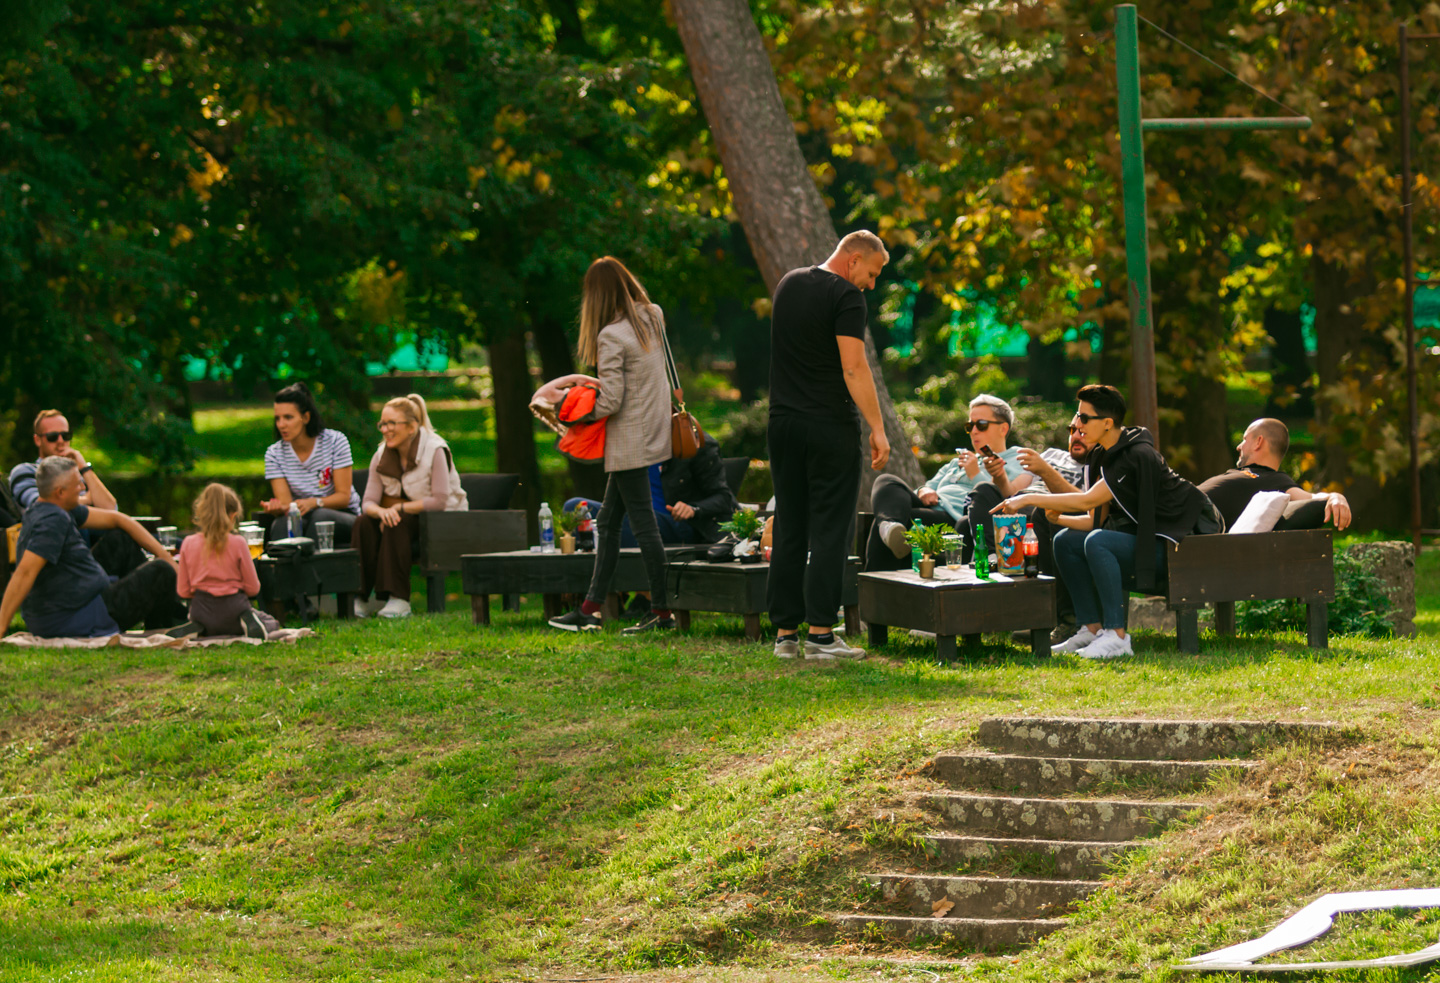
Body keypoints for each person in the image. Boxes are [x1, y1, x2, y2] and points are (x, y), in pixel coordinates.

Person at [994, 385, 1221, 660]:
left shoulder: (1135, 455)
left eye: (1084, 418)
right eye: (1077, 416)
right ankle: (1090, 629)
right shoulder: (1101, 455)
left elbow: (1087, 501)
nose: (1077, 424)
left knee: (1099, 541)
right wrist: (1059, 518)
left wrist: (1028, 499)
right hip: (1150, 542)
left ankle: (1117, 636)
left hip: (1181, 549)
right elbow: (1094, 519)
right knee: (1065, 540)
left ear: (1107, 423)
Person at [767, 231, 891, 661]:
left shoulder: (789, 283)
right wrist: (877, 427)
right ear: (853, 260)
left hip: (782, 424)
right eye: (871, 274)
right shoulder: (846, 296)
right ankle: (820, 633)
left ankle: (785, 633)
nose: (870, 285)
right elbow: (853, 368)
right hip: (828, 425)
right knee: (830, 528)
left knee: (789, 523)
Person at [547, 257, 676, 635]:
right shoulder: (653, 315)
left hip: (629, 441)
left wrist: (571, 410)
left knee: (644, 526)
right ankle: (590, 609)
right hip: (653, 431)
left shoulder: (611, 336)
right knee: (607, 521)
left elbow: (612, 400)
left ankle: (662, 613)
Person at [0, 458, 186, 638]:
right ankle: (171, 624)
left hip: (81, 599)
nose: (83, 489)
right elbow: (24, 573)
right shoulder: (51, 521)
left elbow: (118, 519)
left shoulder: (52, 508)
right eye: (78, 484)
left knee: (120, 539)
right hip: (76, 618)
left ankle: (168, 621)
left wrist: (165, 556)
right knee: (162, 571)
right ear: (60, 492)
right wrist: (1, 626)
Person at [867, 394, 1033, 571]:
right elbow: (928, 486)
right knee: (887, 481)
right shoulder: (958, 461)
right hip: (930, 508)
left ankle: (872, 588)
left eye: (981, 425)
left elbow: (1002, 498)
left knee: (886, 522)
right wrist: (924, 490)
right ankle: (889, 526)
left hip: (955, 518)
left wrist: (975, 474)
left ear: (1003, 429)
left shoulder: (1018, 459)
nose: (974, 431)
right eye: (970, 426)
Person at [351, 394, 469, 619]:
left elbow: (439, 501)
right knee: (363, 522)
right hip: (407, 518)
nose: (385, 429)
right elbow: (367, 503)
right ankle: (361, 597)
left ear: (412, 426)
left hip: (442, 520)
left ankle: (399, 599)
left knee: (397, 521)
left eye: (392, 423)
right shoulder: (381, 454)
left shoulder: (435, 450)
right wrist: (382, 511)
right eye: (382, 424)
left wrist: (398, 509)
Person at [9, 409, 144, 578]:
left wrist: (84, 467)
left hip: (88, 556)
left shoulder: (76, 475)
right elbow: (41, 505)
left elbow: (110, 508)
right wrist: (87, 499)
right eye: (52, 437)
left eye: (66, 435)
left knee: (165, 544)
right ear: (38, 440)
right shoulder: (27, 471)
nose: (61, 441)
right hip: (57, 563)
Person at [564, 434, 739, 547]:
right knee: (576, 507)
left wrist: (693, 509)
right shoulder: (633, 445)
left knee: (630, 518)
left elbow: (724, 498)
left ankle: (644, 594)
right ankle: (587, 589)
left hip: (681, 525)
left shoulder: (693, 442)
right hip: (642, 517)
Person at [1198, 418, 1352, 531]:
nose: (1239, 446)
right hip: (1182, 506)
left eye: (1244, 439)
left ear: (1259, 442)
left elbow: (1311, 498)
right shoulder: (1244, 473)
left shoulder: (1275, 480)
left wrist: (1336, 497)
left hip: (1189, 514)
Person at [169, 483, 280, 639]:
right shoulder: (238, 542)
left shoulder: (188, 543)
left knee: (201, 619)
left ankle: (197, 627)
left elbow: (183, 591)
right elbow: (253, 588)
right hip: (234, 611)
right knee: (270, 622)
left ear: (201, 513)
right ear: (233, 515)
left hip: (201, 611)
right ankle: (248, 622)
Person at [260, 382, 362, 544]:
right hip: (301, 515)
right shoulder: (274, 454)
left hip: (344, 515)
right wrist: (279, 508)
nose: (281, 424)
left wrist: (314, 503)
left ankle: (313, 569)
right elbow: (287, 504)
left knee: (320, 517)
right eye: (277, 418)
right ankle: (279, 568)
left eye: (288, 417)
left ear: (306, 417)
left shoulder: (336, 441)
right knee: (281, 525)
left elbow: (343, 497)